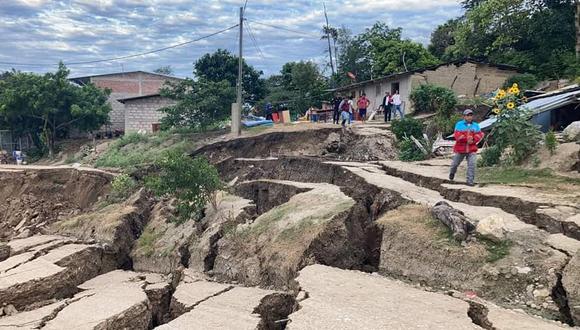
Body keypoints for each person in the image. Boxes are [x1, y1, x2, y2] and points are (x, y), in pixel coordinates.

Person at [449, 109, 484, 187]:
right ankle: (452, 173)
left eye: (471, 115)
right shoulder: (459, 124)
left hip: (472, 149)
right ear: (464, 116)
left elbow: (479, 134)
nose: (469, 117)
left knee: (472, 165)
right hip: (460, 149)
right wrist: (466, 139)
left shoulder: (476, 125)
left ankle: (470, 181)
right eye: (467, 115)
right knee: (455, 164)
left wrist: (474, 139)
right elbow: (457, 135)